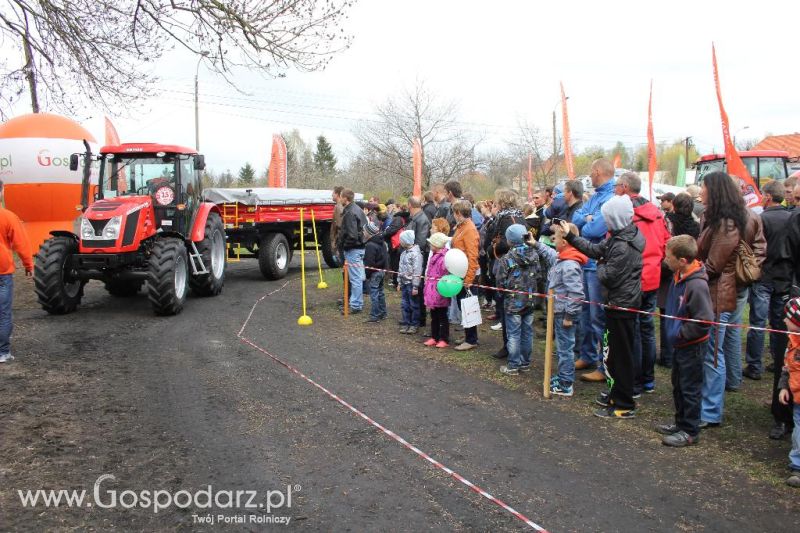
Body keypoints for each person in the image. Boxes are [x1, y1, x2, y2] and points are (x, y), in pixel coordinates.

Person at [561, 193, 645, 418]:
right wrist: (571, 236)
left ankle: (624, 404)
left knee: (621, 355)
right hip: (615, 302)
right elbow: (595, 250)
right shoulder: (618, 237)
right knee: (611, 353)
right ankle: (615, 392)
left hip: (623, 305)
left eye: (607, 218)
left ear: (615, 218)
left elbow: (608, 276)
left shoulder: (624, 245)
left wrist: (599, 264)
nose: (604, 222)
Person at [696, 172, 765, 428]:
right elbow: (760, 249)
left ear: (714, 191)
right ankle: (730, 383)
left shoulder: (725, 224)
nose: (700, 192)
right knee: (725, 343)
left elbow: (713, 265)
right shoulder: (743, 216)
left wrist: (688, 270)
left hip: (720, 292)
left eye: (703, 187)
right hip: (733, 288)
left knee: (713, 353)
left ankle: (711, 411)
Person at [744, 181, 794, 439]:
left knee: (758, 324)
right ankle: (773, 364)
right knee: (779, 332)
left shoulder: (765, 219)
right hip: (784, 279)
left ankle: (754, 364)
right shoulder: (789, 217)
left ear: (767, 197)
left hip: (769, 278)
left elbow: (757, 247)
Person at [656, 235, 714, 447]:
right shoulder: (678, 276)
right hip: (680, 345)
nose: (665, 259)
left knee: (690, 388)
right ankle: (680, 423)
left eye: (668, 256)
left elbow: (704, 320)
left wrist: (680, 333)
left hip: (692, 346)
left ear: (682, 260)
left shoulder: (696, 285)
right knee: (678, 385)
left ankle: (690, 431)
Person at [617, 172, 671, 396]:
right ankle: (647, 380)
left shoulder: (625, 212)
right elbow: (668, 241)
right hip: (652, 276)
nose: (615, 190)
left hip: (634, 277)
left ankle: (637, 381)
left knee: (635, 329)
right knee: (646, 327)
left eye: (617, 186)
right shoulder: (656, 212)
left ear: (626, 187)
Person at [572, 158, 617, 382]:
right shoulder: (597, 196)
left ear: (598, 171)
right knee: (585, 314)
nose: (589, 175)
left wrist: (587, 221)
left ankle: (603, 364)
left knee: (598, 317)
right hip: (585, 261)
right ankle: (587, 355)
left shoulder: (611, 196)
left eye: (591, 171)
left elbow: (596, 227)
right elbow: (577, 218)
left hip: (598, 262)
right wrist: (586, 218)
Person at [534, 223, 587, 395]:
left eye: (555, 237)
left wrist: (569, 315)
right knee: (562, 347)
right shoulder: (562, 257)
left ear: (564, 241)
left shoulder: (570, 265)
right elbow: (550, 254)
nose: (552, 240)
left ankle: (566, 384)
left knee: (565, 349)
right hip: (558, 311)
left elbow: (577, 293)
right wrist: (535, 244)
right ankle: (564, 376)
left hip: (565, 313)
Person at [658, 193, 701, 368]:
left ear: (674, 205)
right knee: (682, 312)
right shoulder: (696, 225)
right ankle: (674, 351)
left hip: (671, 269)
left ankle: (668, 354)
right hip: (688, 269)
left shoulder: (669, 221)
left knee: (668, 313)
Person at [496, 224, 540, 375]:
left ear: (509, 241)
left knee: (513, 333)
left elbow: (500, 281)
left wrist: (502, 293)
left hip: (513, 302)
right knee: (527, 332)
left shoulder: (506, 258)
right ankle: (525, 362)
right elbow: (539, 274)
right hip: (530, 299)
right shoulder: (535, 254)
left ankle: (514, 365)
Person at [485, 189, 524, 359]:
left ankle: (510, 347)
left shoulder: (508, 219)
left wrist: (492, 248)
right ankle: (512, 345)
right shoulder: (518, 216)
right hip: (513, 266)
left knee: (507, 305)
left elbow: (508, 243)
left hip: (508, 265)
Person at [0, 179, 33, 364]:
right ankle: (2, 352)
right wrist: (29, 265)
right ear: (2, 191)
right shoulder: (8, 216)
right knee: (3, 312)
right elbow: (21, 244)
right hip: (2, 271)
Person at [451, 200, 480, 351]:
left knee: (468, 307)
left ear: (458, 213)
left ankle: (471, 339)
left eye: (454, 213)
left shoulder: (469, 229)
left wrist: (469, 278)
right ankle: (468, 334)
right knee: (463, 306)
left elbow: (472, 255)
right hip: (459, 272)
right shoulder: (461, 227)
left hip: (467, 274)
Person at [778, 297, 800, 487]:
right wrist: (784, 387)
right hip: (797, 398)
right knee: (798, 432)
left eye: (788, 318)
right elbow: (787, 367)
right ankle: (797, 465)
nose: (784, 321)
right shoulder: (791, 342)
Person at [338, 189, 368, 314]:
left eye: (341, 197)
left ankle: (355, 305)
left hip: (354, 249)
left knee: (355, 278)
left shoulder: (350, 212)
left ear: (346, 198)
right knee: (358, 277)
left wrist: (344, 246)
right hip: (359, 248)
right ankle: (355, 302)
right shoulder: (358, 209)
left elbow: (352, 235)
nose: (339, 199)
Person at [423, 232, 451, 348]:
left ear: (437, 245)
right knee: (433, 315)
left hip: (440, 291)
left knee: (442, 316)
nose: (430, 245)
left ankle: (444, 338)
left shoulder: (445, 258)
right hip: (431, 290)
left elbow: (445, 274)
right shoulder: (434, 255)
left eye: (431, 244)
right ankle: (434, 337)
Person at [363, 222, 389, 323]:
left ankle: (375, 315)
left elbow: (369, 263)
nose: (363, 232)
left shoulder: (370, 245)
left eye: (364, 230)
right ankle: (383, 312)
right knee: (381, 292)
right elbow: (385, 258)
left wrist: (367, 275)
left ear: (369, 232)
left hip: (374, 272)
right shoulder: (381, 242)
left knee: (374, 293)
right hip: (381, 270)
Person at [397, 230, 422, 334]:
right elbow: (400, 268)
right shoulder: (403, 253)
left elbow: (417, 270)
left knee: (414, 304)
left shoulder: (416, 254)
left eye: (401, 240)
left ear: (406, 241)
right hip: (404, 283)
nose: (400, 242)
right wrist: (399, 282)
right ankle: (407, 322)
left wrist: (415, 286)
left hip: (412, 284)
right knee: (405, 304)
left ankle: (414, 324)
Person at [331, 186, 345, 261]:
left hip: (340, 242)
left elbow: (339, 226)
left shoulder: (339, 207)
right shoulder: (340, 206)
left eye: (333, 193)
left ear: (337, 194)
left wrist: (335, 243)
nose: (332, 195)